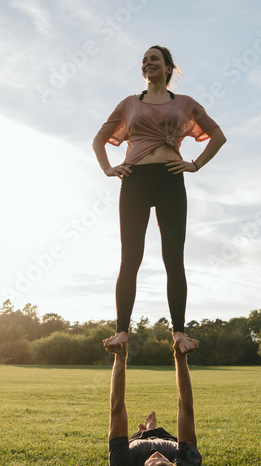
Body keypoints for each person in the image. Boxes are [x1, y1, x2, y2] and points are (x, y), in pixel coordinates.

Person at [93, 45, 227, 355]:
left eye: (154, 58)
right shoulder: (129, 104)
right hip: (135, 182)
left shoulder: (185, 103)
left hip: (170, 180)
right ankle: (122, 332)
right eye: (144, 60)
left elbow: (218, 136)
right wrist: (108, 168)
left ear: (169, 68)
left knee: (173, 258)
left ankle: (179, 333)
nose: (148, 63)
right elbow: (99, 140)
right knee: (131, 258)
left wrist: (194, 164)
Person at [107, 340, 201, 466]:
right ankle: (151, 429)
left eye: (151, 462)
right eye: (164, 460)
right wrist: (180, 358)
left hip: (136, 444)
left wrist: (120, 357)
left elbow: (117, 409)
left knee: (140, 435)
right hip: (167, 439)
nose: (157, 454)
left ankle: (144, 432)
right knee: (159, 435)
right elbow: (186, 409)